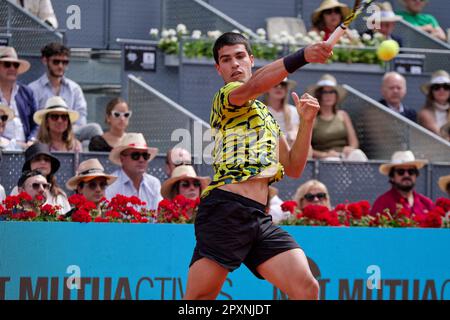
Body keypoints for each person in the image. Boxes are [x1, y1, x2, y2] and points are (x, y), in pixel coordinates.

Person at [184, 31, 333, 300]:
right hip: (225, 211)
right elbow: (254, 87)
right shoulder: (227, 97)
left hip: (258, 217)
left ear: (251, 59)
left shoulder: (266, 116)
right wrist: (303, 56)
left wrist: (307, 122)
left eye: (240, 57)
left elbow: (294, 167)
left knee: (307, 288)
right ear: (219, 69)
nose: (235, 65)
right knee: (197, 301)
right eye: (226, 60)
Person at [28, 43, 103, 145]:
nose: (60, 66)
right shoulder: (33, 89)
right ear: (45, 61)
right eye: (56, 62)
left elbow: (81, 120)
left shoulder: (74, 89)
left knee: (94, 129)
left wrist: (66, 131)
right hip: (44, 135)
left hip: (69, 132)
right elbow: (32, 121)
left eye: (65, 62)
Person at [307, 74, 365, 161]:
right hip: (324, 160)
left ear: (336, 95)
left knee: (358, 154)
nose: (328, 95)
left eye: (331, 92)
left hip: (345, 156)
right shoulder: (312, 118)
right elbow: (305, 146)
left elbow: (354, 142)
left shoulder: (343, 115)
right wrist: (324, 155)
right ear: (319, 95)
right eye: (324, 92)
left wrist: (350, 149)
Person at [106, 133, 162, 210]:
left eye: (145, 155)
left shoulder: (154, 183)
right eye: (135, 155)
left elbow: (159, 217)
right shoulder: (111, 184)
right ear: (122, 159)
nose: (141, 160)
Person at [10, 142, 70, 213]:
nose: (43, 162)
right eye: (37, 159)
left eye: (47, 159)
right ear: (29, 165)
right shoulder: (17, 190)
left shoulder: (60, 195)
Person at [371, 150, 434, 217]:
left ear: (416, 175)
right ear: (392, 177)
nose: (406, 175)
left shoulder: (426, 204)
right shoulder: (382, 204)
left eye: (411, 171)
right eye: (400, 172)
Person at [0, 46, 38, 148]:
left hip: (26, 150)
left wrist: (31, 140)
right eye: (7, 64)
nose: (12, 68)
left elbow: (36, 123)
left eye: (16, 65)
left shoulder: (27, 92)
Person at [264, 78, 300, 146]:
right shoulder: (260, 110)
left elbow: (295, 131)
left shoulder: (293, 110)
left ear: (286, 90)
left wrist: (293, 134)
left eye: (283, 85)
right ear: (267, 89)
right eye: (275, 84)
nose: (279, 87)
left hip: (288, 149)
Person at [417, 70, 450, 138]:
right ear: (431, 92)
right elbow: (441, 136)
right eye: (436, 87)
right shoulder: (425, 114)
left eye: (446, 87)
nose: (442, 90)